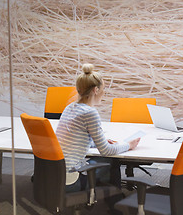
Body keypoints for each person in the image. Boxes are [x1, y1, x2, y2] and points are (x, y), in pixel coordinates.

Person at [55, 63, 140, 192]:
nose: (104, 92)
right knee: (112, 160)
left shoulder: (70, 108)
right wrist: (129, 145)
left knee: (103, 159)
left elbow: (75, 140)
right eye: (103, 89)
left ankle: (104, 199)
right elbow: (106, 151)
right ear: (95, 90)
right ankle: (114, 205)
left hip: (56, 175)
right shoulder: (90, 113)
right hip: (72, 179)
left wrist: (99, 143)